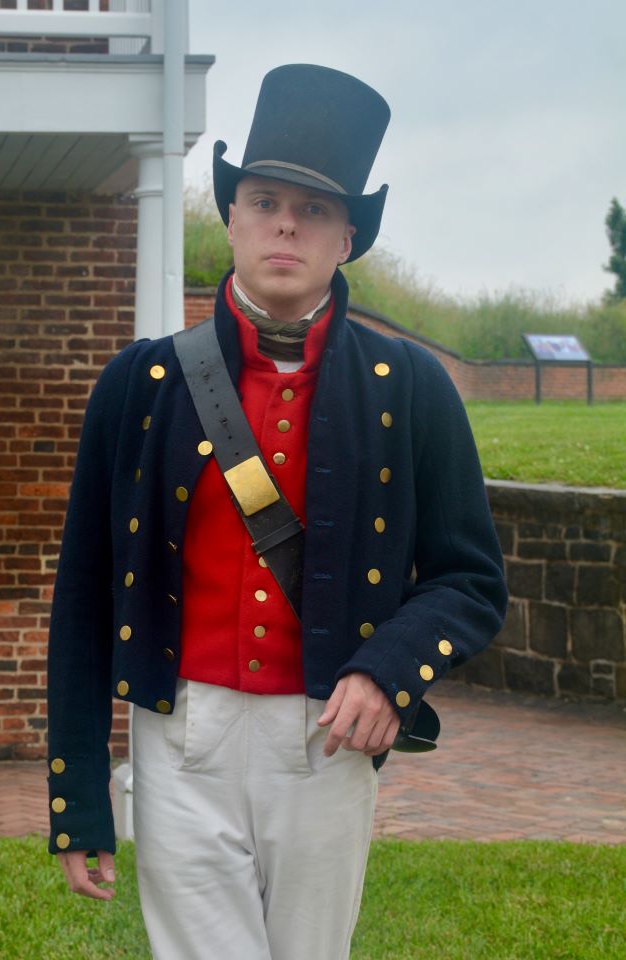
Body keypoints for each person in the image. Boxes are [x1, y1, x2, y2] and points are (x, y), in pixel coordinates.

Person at [46, 64, 508, 960]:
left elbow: (470, 578)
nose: (286, 222)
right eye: (264, 200)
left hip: (324, 737)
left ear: (347, 239)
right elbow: (84, 597)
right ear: (232, 217)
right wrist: (78, 797)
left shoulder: (410, 389)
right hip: (179, 733)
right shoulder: (140, 384)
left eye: (315, 208)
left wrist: (387, 672)